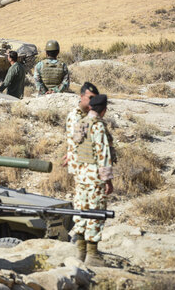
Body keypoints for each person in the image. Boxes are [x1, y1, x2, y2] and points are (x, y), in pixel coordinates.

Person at [70, 94, 114, 266]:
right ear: (103, 110)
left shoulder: (80, 123)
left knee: (81, 211)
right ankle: (92, 255)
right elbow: (103, 154)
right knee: (95, 213)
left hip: (81, 176)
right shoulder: (98, 127)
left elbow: (74, 151)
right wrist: (107, 180)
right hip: (94, 177)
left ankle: (80, 253)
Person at [63, 82, 99, 174]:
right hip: (83, 168)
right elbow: (78, 142)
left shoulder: (89, 115)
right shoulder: (77, 117)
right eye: (90, 98)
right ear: (81, 97)